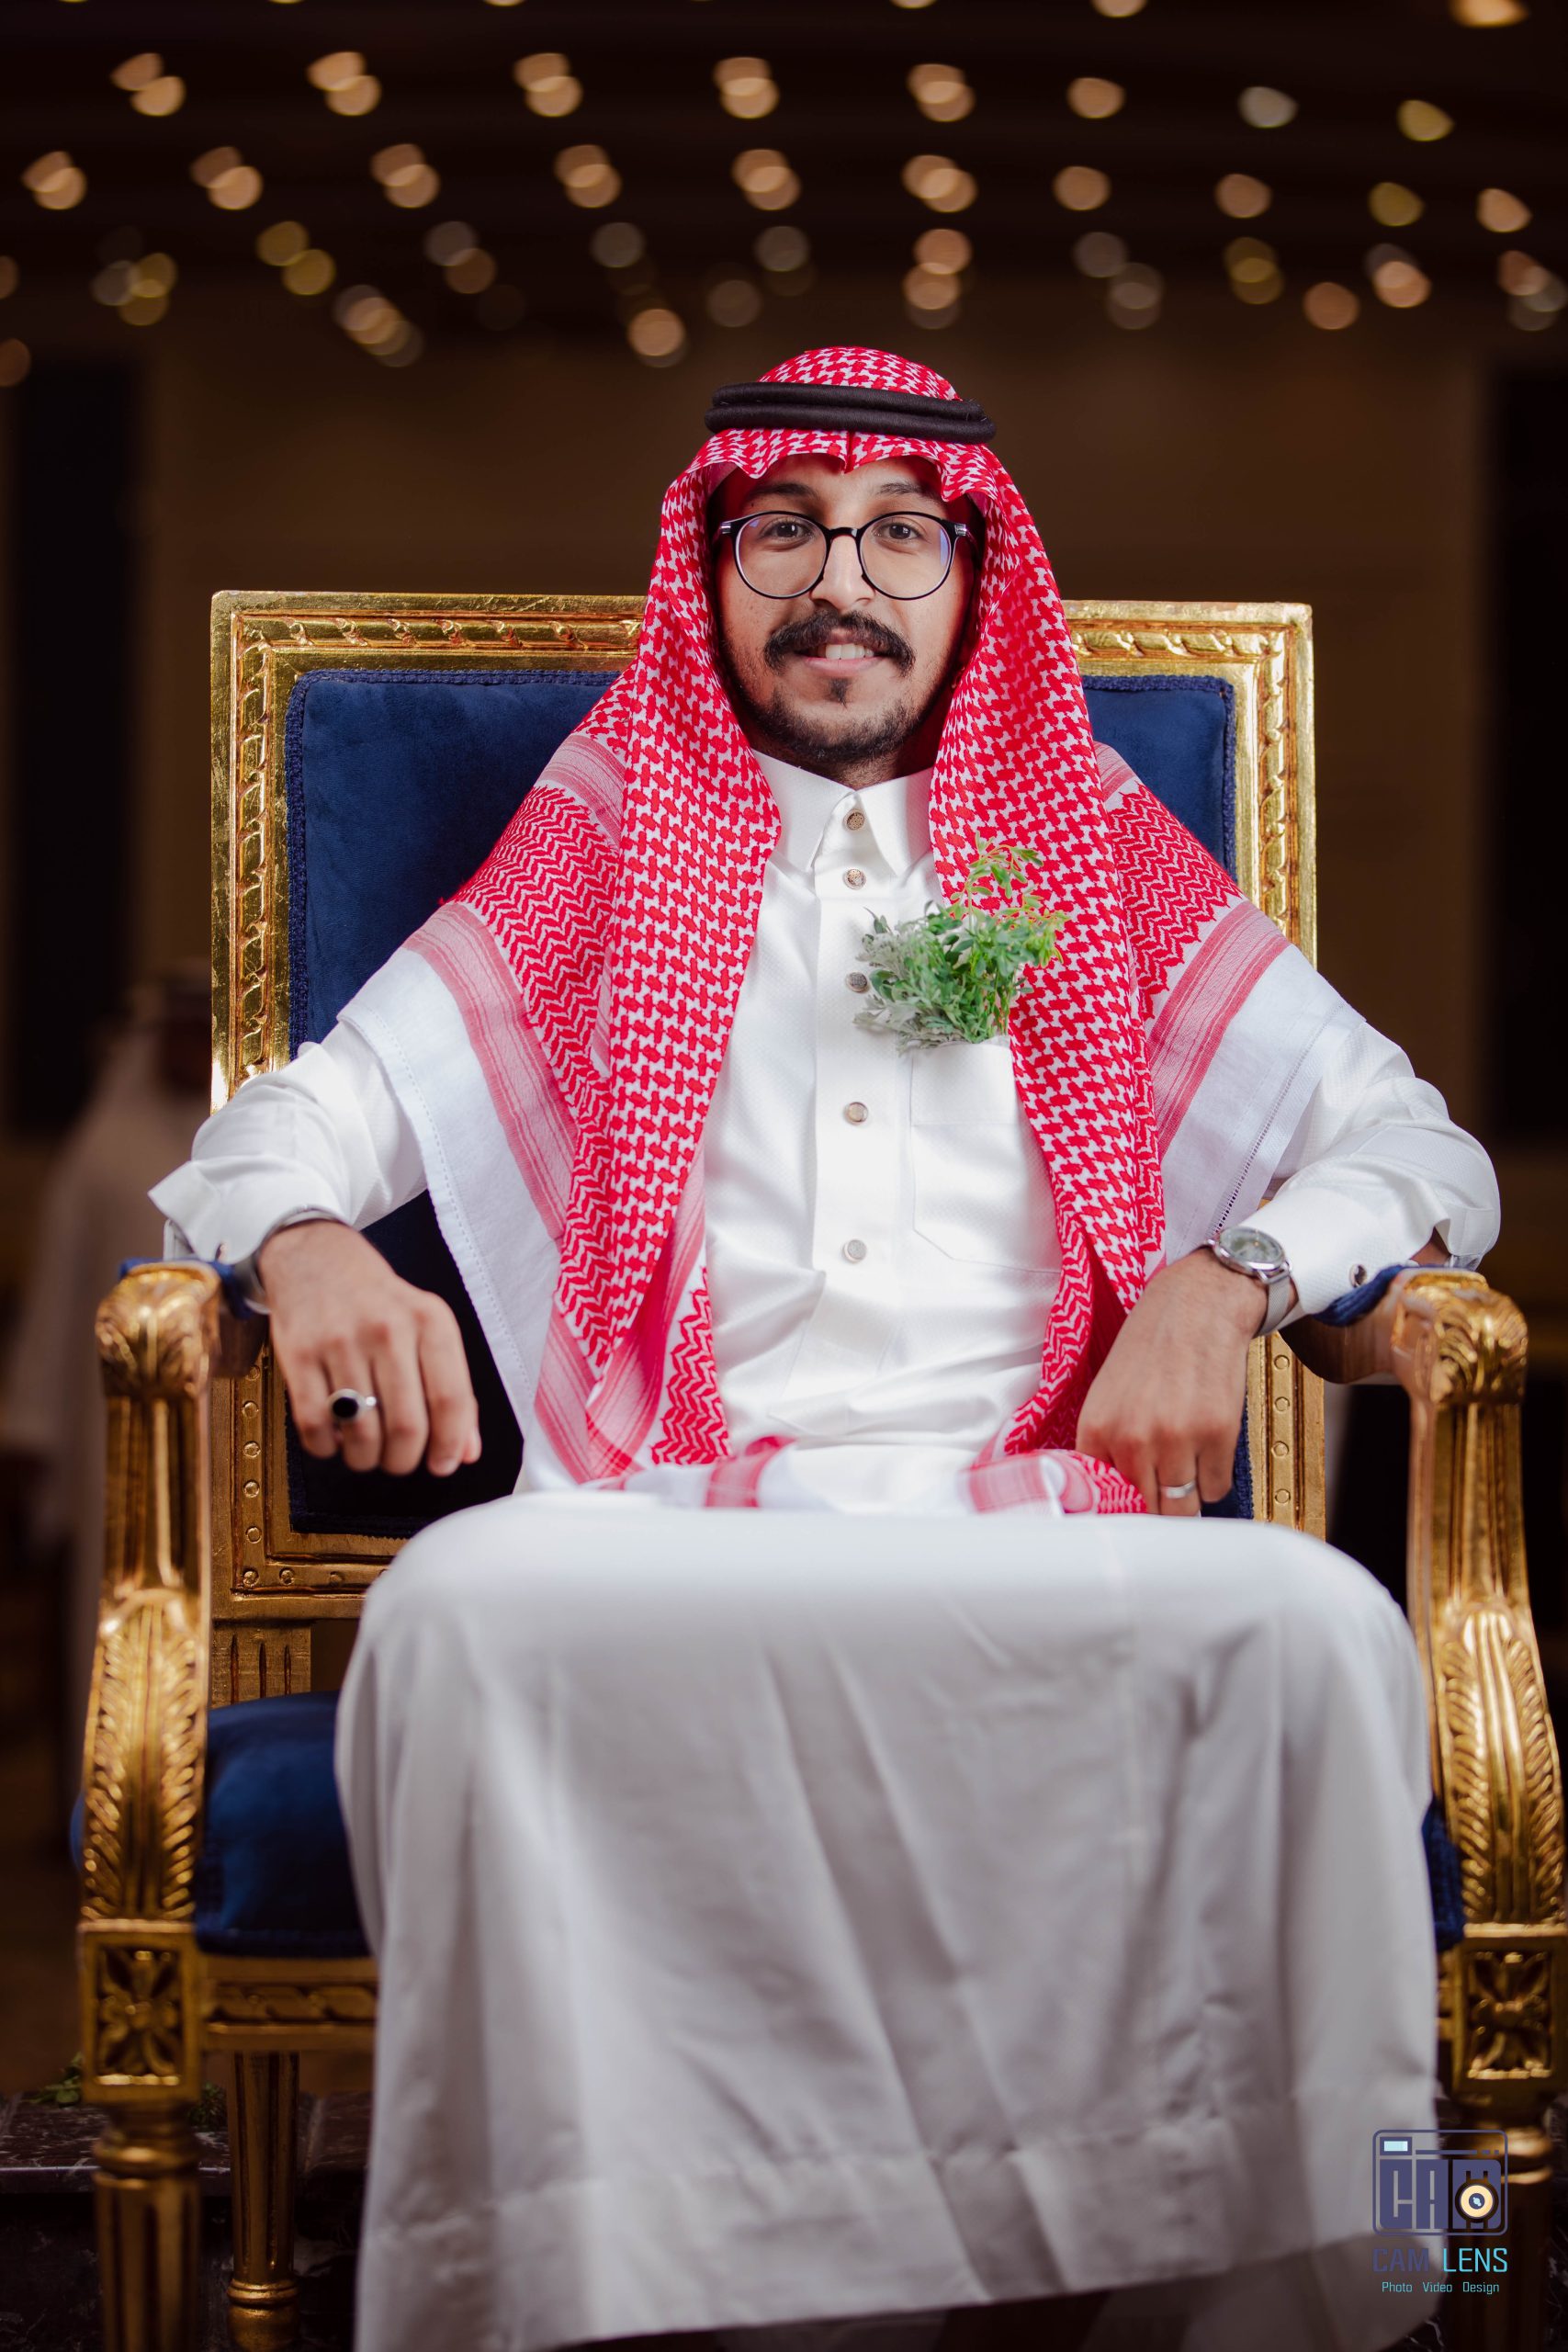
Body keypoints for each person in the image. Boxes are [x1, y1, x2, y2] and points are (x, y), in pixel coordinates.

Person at [153, 349, 1493, 2352]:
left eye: (895, 535)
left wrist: (1228, 1278)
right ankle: (626, 2283)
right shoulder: (606, 842)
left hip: (1040, 1517)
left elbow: (1423, 1150)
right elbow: (284, 1124)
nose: (838, 581)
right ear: (711, 571)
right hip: (676, 1516)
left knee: (1328, 1637)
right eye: (783, 529)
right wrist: (308, 1234)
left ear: (973, 575)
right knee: (449, 1615)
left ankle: (1394, 2276)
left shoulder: (1083, 840)